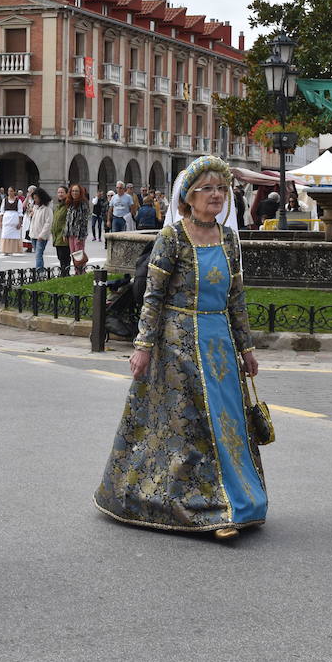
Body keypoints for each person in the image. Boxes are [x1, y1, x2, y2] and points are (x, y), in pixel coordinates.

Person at [94, 156, 265, 538]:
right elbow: (152, 296)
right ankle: (207, 509)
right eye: (208, 189)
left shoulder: (229, 238)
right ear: (188, 196)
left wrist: (246, 348)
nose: (217, 195)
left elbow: (236, 296)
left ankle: (238, 500)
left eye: (222, 188)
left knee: (228, 422)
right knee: (191, 426)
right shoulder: (172, 237)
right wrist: (143, 346)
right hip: (178, 342)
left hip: (219, 342)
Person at [27, 187, 54, 270]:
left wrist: (42, 235)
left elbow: (48, 223)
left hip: (41, 236)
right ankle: (39, 269)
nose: (35, 200)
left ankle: (39, 270)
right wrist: (30, 214)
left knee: (39, 254)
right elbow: (33, 220)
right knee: (37, 254)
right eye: (34, 198)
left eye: (36, 198)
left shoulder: (47, 208)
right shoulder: (35, 207)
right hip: (33, 234)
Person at [66, 184, 90, 271]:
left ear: (80, 192)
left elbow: (84, 221)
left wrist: (80, 236)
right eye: (73, 191)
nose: (74, 193)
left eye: (76, 191)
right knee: (73, 254)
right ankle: (77, 271)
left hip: (79, 234)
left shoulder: (83, 204)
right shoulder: (70, 203)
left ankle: (81, 271)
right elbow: (68, 220)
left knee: (79, 254)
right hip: (71, 233)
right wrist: (66, 233)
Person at [51, 184, 71, 276]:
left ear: (67, 194)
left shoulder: (68, 206)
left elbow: (68, 221)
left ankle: (65, 274)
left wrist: (65, 233)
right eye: (58, 192)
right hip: (57, 237)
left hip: (63, 237)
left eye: (62, 192)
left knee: (64, 257)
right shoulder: (58, 206)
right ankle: (64, 273)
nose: (60, 194)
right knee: (60, 257)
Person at [0, 187, 24, 254]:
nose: (10, 193)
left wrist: (20, 222)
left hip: (14, 220)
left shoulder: (18, 201)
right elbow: (1, 211)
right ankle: (6, 250)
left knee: (14, 235)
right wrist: (0, 221)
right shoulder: (4, 200)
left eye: (11, 191)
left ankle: (13, 250)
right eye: (9, 191)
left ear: (14, 192)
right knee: (5, 234)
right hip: (6, 220)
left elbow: (20, 212)